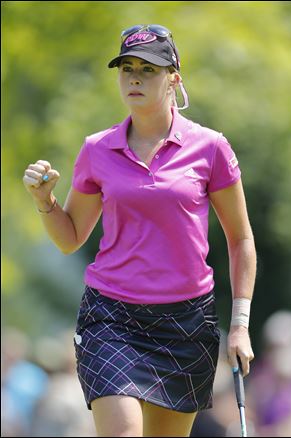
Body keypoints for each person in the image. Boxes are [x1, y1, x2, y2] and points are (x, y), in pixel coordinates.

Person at [23, 24, 256, 437]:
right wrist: (45, 201)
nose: (134, 77)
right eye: (126, 67)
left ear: (174, 79)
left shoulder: (211, 147)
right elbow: (70, 236)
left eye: (149, 69)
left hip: (186, 321)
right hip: (111, 317)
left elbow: (240, 240)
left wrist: (239, 324)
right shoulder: (98, 149)